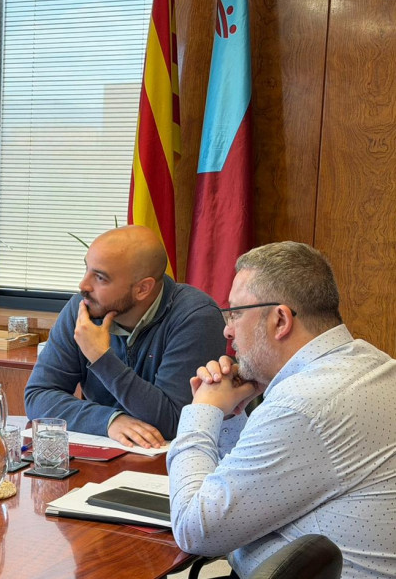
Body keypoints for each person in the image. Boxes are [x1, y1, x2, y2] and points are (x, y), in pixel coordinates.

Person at [168, 242, 396, 577]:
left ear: (280, 320)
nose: (227, 330)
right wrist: (230, 416)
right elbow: (251, 492)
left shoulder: (303, 404)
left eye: (235, 313)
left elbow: (194, 530)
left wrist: (202, 409)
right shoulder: (372, 365)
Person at [24, 226, 227, 446]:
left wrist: (102, 358)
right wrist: (109, 421)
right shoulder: (83, 309)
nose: (83, 285)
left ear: (143, 289)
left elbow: (175, 421)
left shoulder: (195, 316)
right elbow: (38, 396)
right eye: (87, 269)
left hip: (170, 465)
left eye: (100, 278)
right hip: (104, 457)